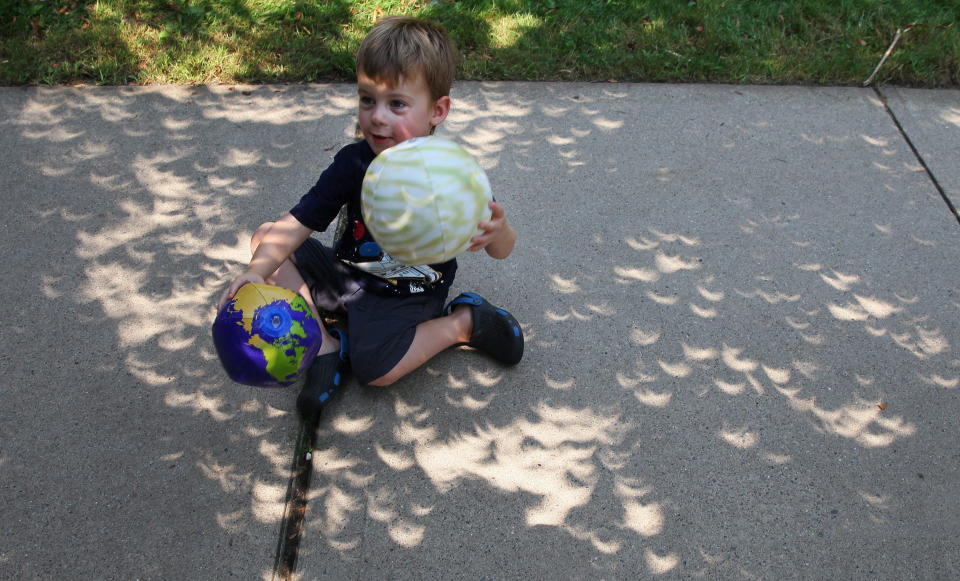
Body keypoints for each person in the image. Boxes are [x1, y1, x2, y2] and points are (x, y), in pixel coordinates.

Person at [217, 16, 523, 421]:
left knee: (376, 371)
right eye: (367, 100)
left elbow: (502, 251)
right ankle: (325, 348)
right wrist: (257, 271)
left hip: (406, 295)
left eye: (396, 104)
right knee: (268, 238)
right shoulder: (353, 162)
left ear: (437, 110)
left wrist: (497, 231)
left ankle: (464, 323)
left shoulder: (449, 174)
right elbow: (300, 221)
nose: (378, 117)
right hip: (346, 277)